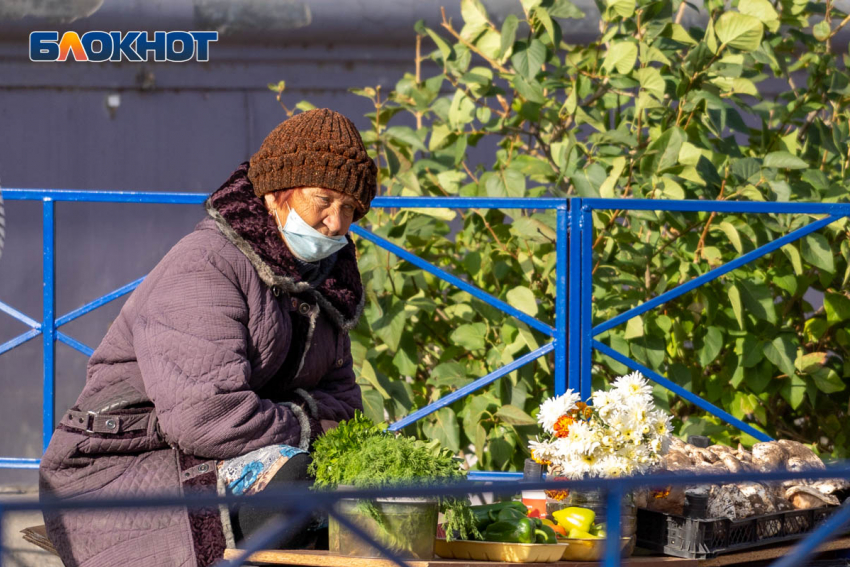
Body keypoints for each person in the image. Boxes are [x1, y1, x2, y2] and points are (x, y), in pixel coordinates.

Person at [38, 108, 377, 567]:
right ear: (276, 193)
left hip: (248, 454)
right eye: (323, 201)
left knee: (363, 495)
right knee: (297, 488)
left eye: (350, 208)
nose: (336, 224)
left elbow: (345, 404)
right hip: (123, 460)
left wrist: (306, 428)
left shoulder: (326, 284)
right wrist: (305, 423)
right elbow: (206, 416)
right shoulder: (207, 265)